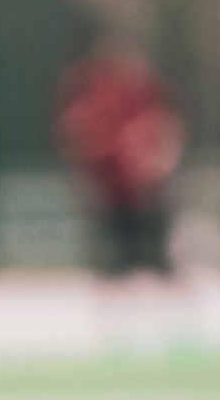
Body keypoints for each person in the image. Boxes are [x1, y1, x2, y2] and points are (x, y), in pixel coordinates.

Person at [53, 38, 186, 278]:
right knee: (117, 245)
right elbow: (78, 130)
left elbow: (163, 127)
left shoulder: (142, 93)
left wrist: (156, 159)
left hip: (140, 184)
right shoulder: (93, 92)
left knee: (147, 239)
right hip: (113, 184)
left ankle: (147, 261)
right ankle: (124, 264)